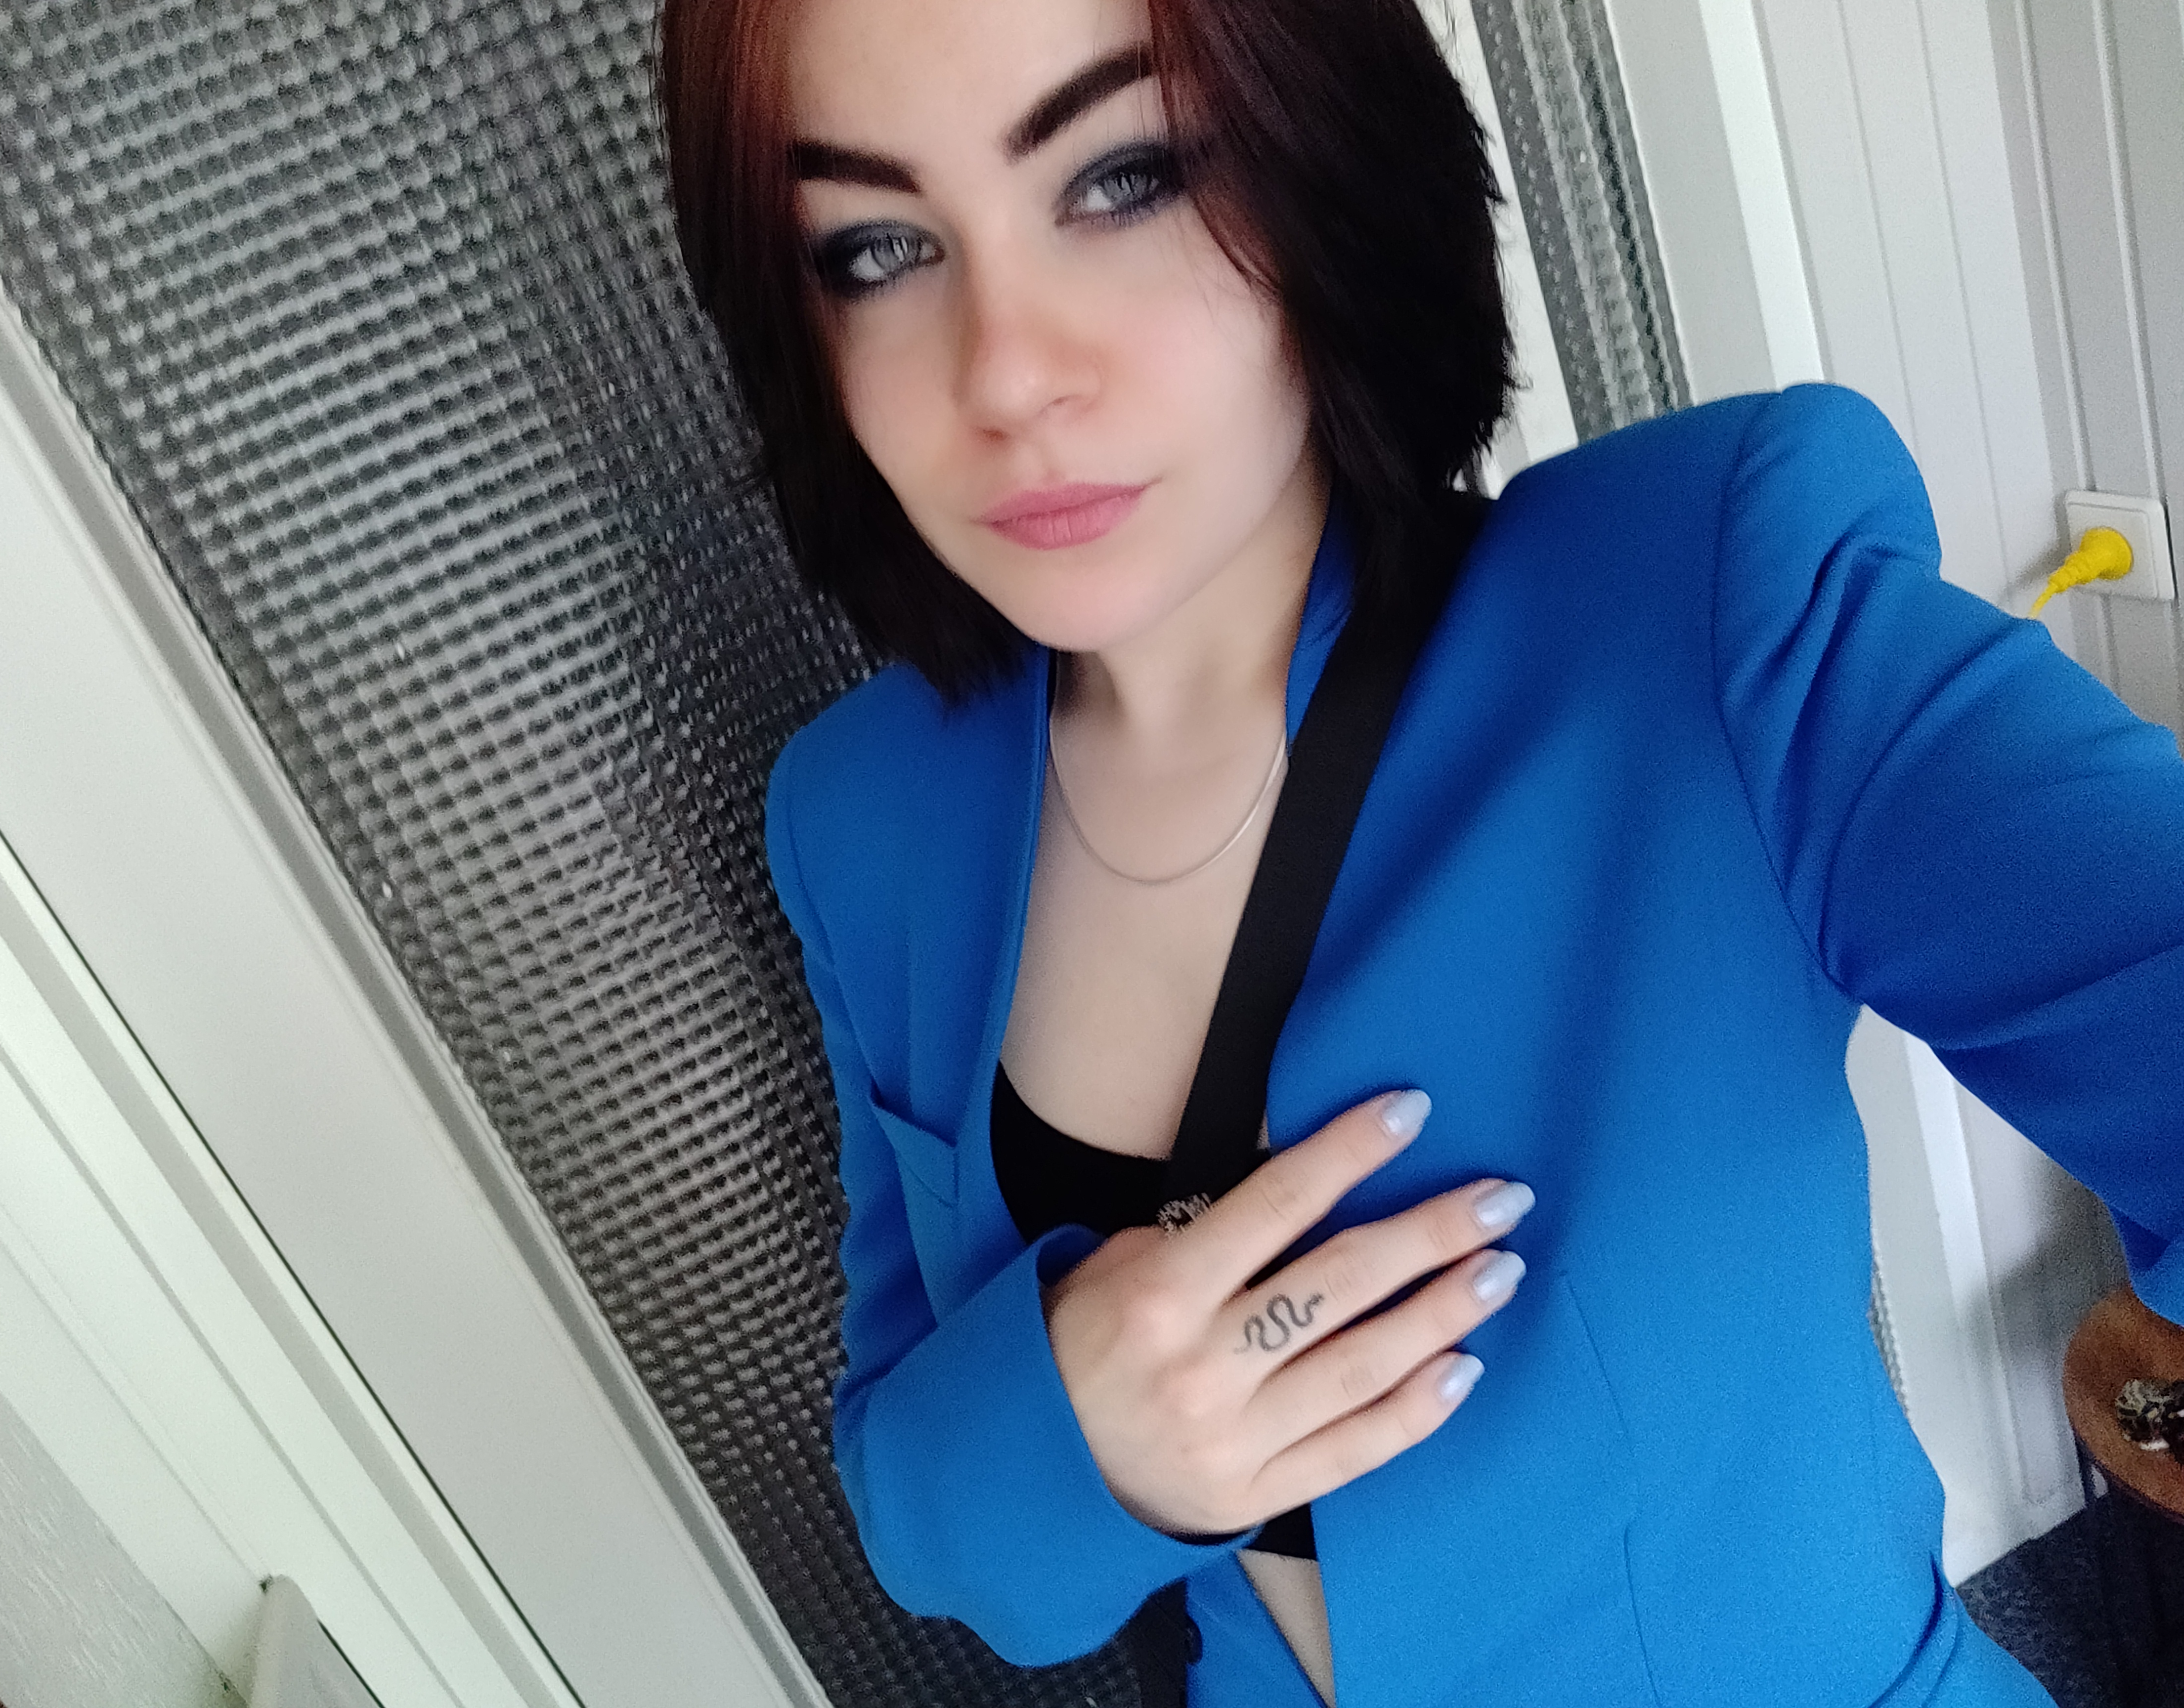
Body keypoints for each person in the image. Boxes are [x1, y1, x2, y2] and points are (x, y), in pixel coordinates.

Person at [655, 0, 2184, 1702]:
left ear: (1324, 157)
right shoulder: (864, 816)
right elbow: (921, 1503)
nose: (1006, 374)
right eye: (876, 247)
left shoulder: (1698, 604)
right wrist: (1087, 1438)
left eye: (1126, 177)